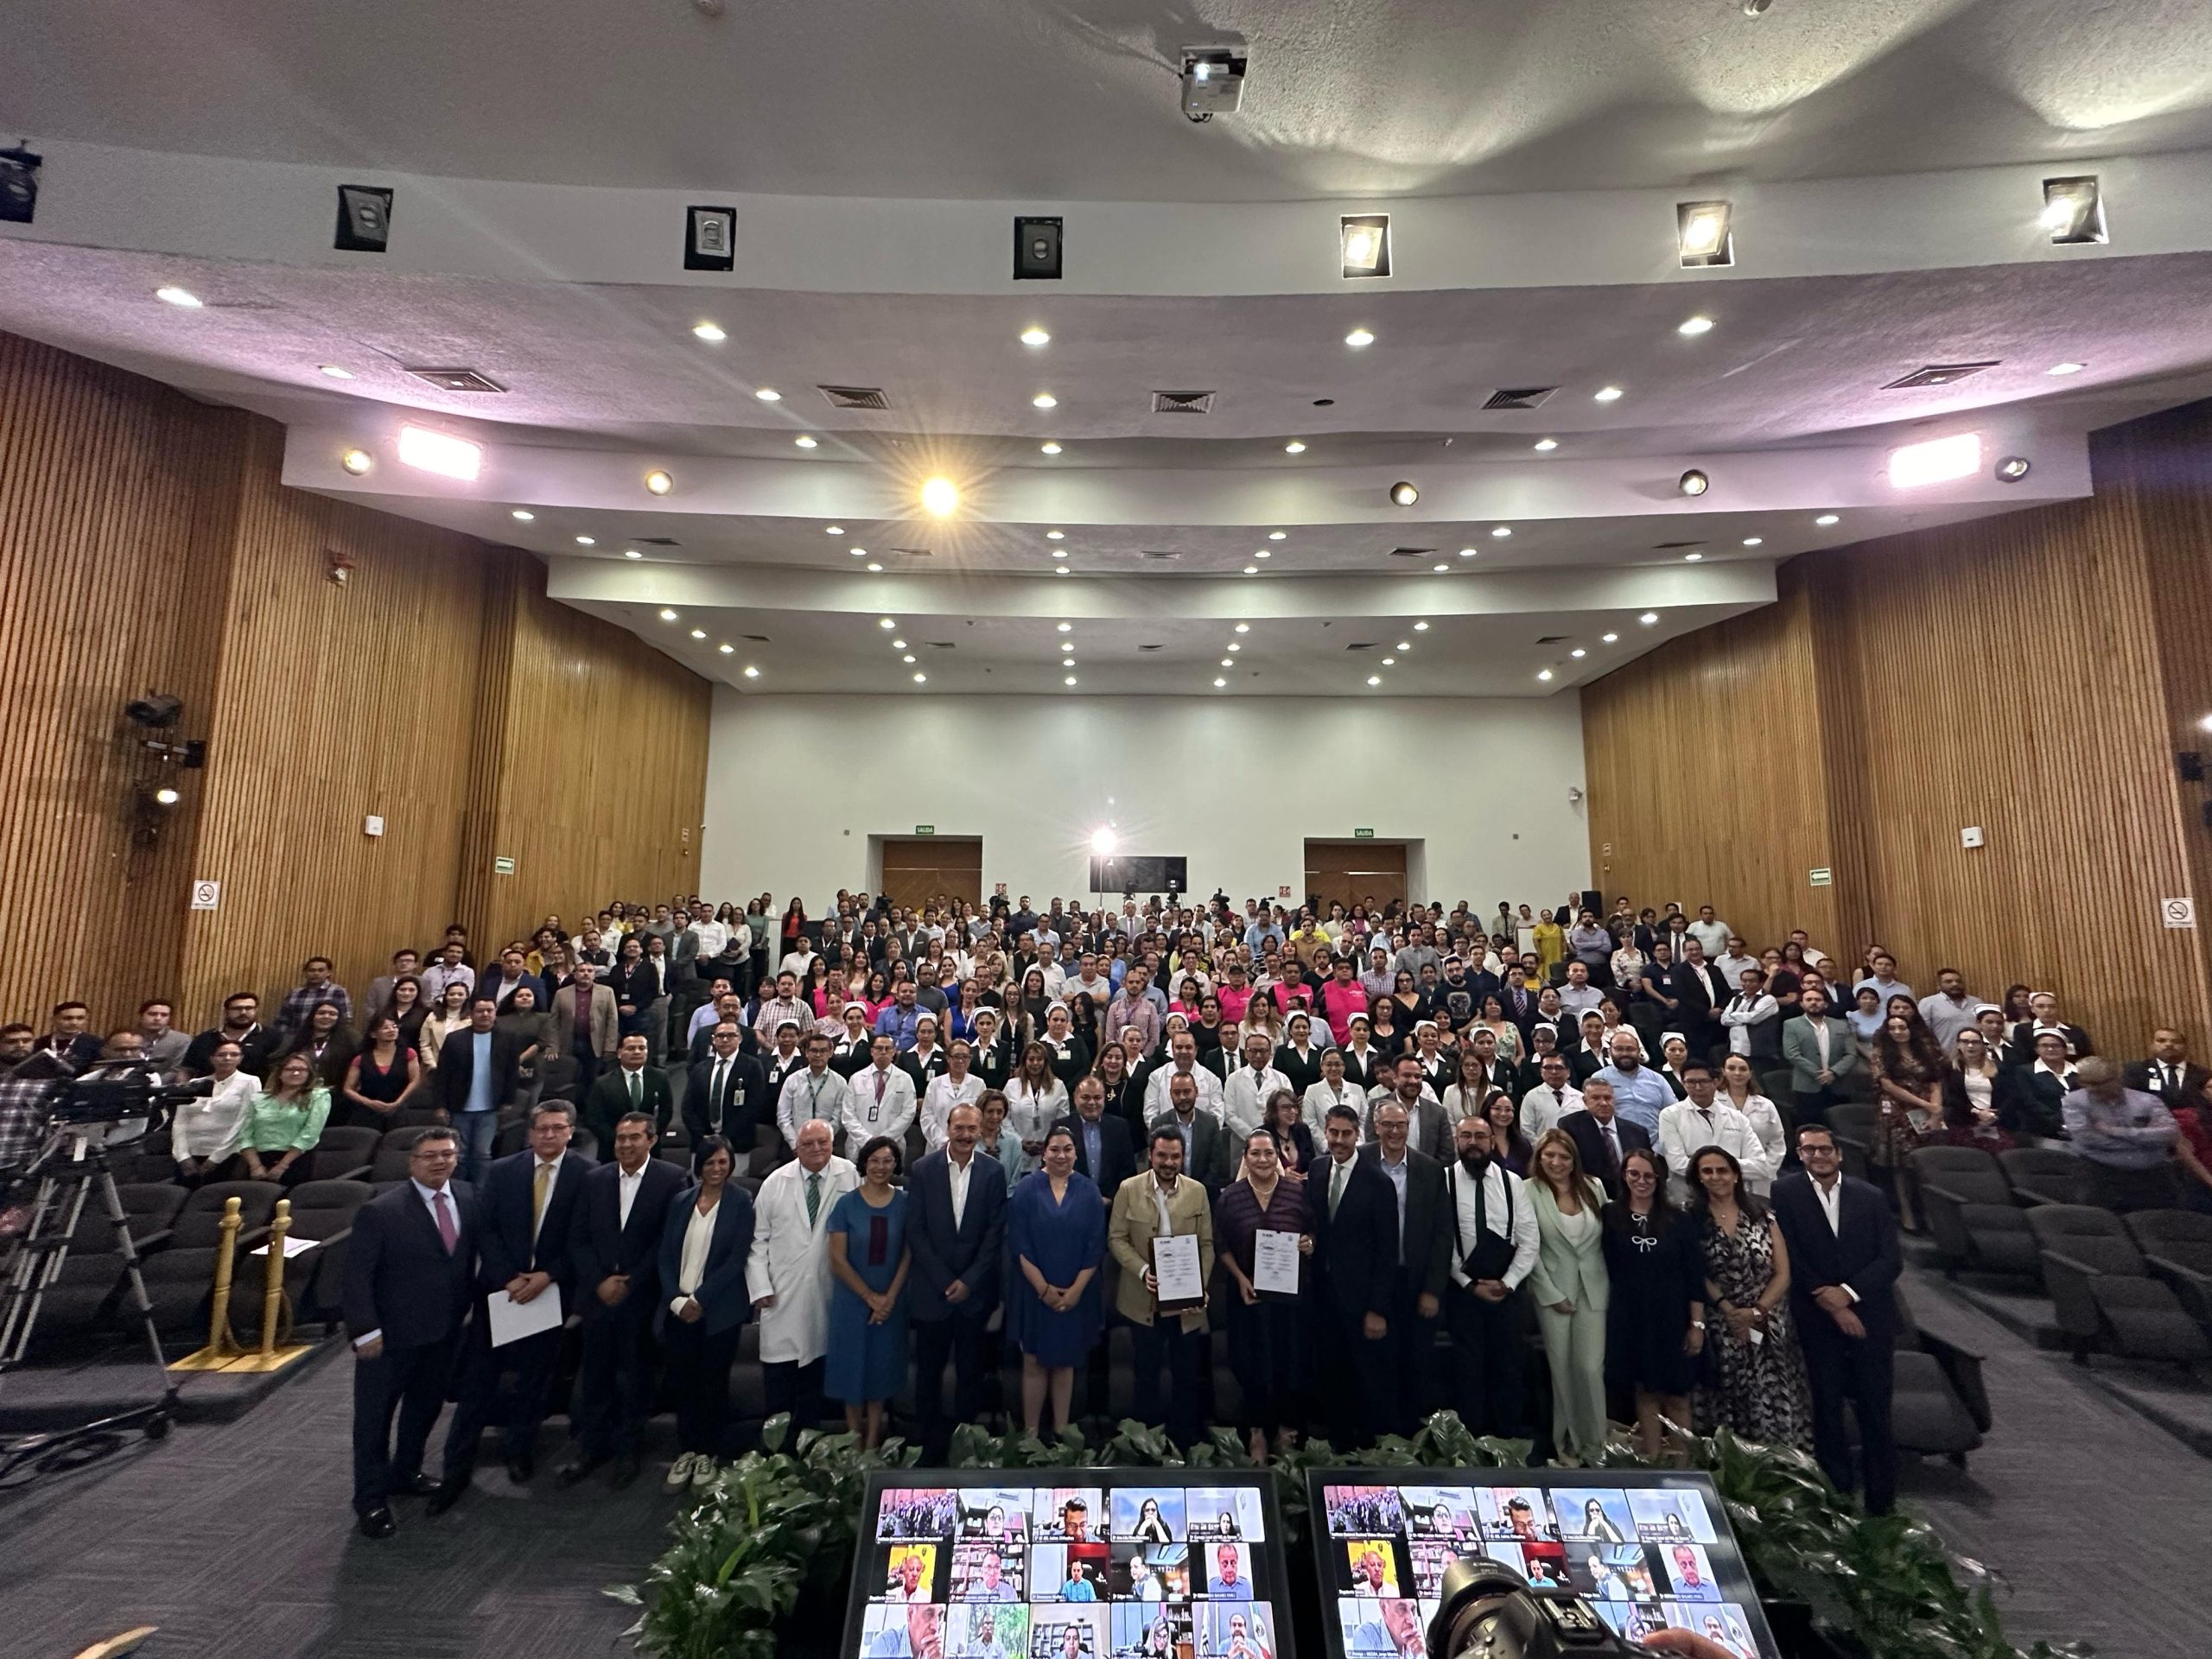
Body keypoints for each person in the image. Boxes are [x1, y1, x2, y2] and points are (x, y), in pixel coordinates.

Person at [437, 1101, 589, 1497]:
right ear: (530, 1132)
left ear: (570, 1132)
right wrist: (508, 1278)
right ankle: (457, 1462)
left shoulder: (587, 1176)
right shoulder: (504, 1171)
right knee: (479, 1379)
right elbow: (485, 1230)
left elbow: (583, 1238)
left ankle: (519, 1450)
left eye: (558, 1128)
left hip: (550, 1293)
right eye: (542, 1128)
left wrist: (546, 1276)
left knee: (534, 1381)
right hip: (500, 1293)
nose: (550, 1135)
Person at [341, 1125, 477, 1540]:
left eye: (447, 1154)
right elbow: (356, 1278)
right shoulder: (380, 1211)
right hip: (390, 1338)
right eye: (430, 1155)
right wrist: (364, 1331)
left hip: (445, 1332)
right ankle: (370, 1500)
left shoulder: (470, 1197)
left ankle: (406, 1473)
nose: (440, 1161)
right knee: (374, 1421)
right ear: (412, 1162)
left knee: (423, 1409)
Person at [1771, 1124, 1902, 1515]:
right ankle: (1837, 1498)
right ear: (1799, 1154)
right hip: (1816, 1319)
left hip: (1870, 1319)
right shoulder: (1786, 1193)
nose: (1818, 1156)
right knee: (1826, 1412)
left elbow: (1890, 1260)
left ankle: (1882, 1504)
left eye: (1825, 1149)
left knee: (1875, 1414)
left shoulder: (1871, 1196)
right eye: (1809, 1150)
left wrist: (1847, 1295)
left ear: (1839, 1153)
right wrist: (1831, 1304)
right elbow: (1791, 1254)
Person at [560, 1111, 684, 1488]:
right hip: (597, 1298)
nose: (626, 1144)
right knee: (594, 1375)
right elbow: (577, 1238)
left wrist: (629, 1282)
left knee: (635, 1377)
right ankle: (591, 1448)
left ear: (651, 1140)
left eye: (634, 1137)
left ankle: (629, 1449)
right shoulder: (594, 1179)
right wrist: (600, 1281)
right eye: (620, 1138)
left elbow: (668, 1240)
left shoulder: (671, 1179)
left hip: (640, 1297)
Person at [1689, 1147, 1812, 1450]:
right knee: (1728, 1398)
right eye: (1707, 1171)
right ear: (1698, 1178)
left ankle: (1780, 1471)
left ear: (1735, 1175)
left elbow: (1783, 1272)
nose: (1716, 1177)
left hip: (1769, 1322)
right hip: (1722, 1323)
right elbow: (1695, 1273)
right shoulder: (1690, 1218)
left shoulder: (1763, 1214)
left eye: (1722, 1170)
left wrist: (1757, 1312)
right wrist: (1732, 1312)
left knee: (1774, 1399)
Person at [908, 1101, 1008, 1460]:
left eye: (972, 1129)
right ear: (947, 1128)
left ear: (981, 1131)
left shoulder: (994, 1172)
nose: (966, 1135)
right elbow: (915, 1230)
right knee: (928, 1376)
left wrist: (968, 1280)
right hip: (931, 1292)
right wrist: (943, 1279)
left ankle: (967, 1449)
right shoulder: (922, 1169)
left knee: (970, 1373)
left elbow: (995, 1233)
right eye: (959, 1128)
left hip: (974, 1293)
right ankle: (928, 1450)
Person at [747, 1118, 861, 1432]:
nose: (816, 1149)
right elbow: (757, 1239)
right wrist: (760, 1287)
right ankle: (776, 1459)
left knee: (815, 1378)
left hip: (828, 1289)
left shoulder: (848, 1174)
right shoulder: (774, 1182)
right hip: (780, 1293)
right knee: (780, 1382)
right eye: (808, 1144)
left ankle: (809, 1453)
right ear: (796, 1147)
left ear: (832, 1143)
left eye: (822, 1142)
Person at [656, 1134, 756, 1487]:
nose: (717, 1168)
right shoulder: (681, 1200)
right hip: (679, 1309)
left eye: (723, 1162)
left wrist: (701, 1299)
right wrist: (677, 1299)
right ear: (699, 1165)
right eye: (710, 1162)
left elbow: (735, 1259)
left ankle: (708, 1453)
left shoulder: (741, 1201)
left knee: (712, 1383)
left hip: (719, 1311)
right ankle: (688, 1449)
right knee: (684, 1382)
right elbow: (665, 1255)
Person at [1109, 1125, 1217, 1449]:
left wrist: (1200, 1285)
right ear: (1150, 1156)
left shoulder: (1197, 1191)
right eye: (1162, 1156)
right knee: (1146, 1375)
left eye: (1175, 1156)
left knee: (1186, 1377)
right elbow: (1116, 1238)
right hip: (1143, 1299)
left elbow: (1207, 1244)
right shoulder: (1128, 1188)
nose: (1169, 1162)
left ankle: (1183, 1445)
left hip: (1186, 1303)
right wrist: (1142, 1271)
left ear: (1183, 1157)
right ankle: (1147, 1446)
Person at [1214, 1126, 1313, 1459]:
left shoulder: (1297, 1192)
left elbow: (1313, 1232)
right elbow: (1221, 1244)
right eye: (1255, 1153)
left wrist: (1309, 1243)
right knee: (1251, 1365)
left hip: (1290, 1300)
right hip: (1248, 1296)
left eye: (1268, 1153)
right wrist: (1240, 1277)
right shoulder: (1231, 1196)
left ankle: (1287, 1429)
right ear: (1245, 1158)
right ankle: (1256, 1431)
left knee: (1290, 1363)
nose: (1262, 1159)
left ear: (1278, 1157)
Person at [1440, 1113, 1539, 1440]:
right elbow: (1441, 1240)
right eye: (1465, 1136)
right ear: (1456, 1141)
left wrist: (1508, 1283)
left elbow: (1529, 1239)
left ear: (1492, 1142)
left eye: (1479, 1137)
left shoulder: (1513, 1182)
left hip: (1506, 1291)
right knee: (1467, 1370)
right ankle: (1471, 1442)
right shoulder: (1443, 1180)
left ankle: (1507, 1442)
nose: (1473, 1143)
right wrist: (1468, 1284)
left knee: (1508, 1368)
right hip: (1462, 1290)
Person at [1602, 1147, 1703, 1458]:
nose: (1641, 1181)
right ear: (1624, 1176)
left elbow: (1694, 1275)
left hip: (1672, 1317)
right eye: (1634, 1174)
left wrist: (1696, 1325)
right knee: (1644, 1390)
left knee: (1677, 1394)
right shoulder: (1610, 1215)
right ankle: (1652, 1461)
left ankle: (1684, 1466)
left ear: (1659, 1179)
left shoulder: (1678, 1218)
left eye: (1648, 1175)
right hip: (1631, 1316)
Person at [1310, 1103, 1400, 1449]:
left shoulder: (1378, 1182)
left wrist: (1378, 1308)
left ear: (1358, 1135)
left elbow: (1387, 1250)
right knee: (1328, 1368)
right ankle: (1334, 1445)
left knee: (1363, 1374)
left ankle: (1365, 1450)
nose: (1339, 1140)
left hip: (1362, 1299)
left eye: (1346, 1134)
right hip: (1322, 1294)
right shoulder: (1317, 1171)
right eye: (1333, 1132)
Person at [1006, 1124, 1107, 1434]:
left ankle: (1062, 1436)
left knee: (1065, 1364)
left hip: (1077, 1292)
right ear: (1043, 1153)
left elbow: (1095, 1245)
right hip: (1034, 1290)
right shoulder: (1025, 1189)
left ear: (1076, 1154)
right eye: (1054, 1149)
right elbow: (1019, 1244)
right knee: (1034, 1362)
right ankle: (1031, 1435)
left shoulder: (1089, 1191)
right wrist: (1043, 1289)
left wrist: (1075, 1291)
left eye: (1067, 1149)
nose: (1061, 1155)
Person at [1360, 1099, 1452, 1435]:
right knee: (1376, 1366)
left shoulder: (1429, 1168)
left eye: (1401, 1125)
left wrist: (1432, 1289)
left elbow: (1443, 1234)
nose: (1395, 1131)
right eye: (1388, 1125)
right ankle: (1379, 1441)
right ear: (1376, 1126)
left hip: (1416, 1285)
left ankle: (1413, 1441)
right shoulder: (1360, 1161)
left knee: (1416, 1365)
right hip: (1371, 1286)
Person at [1524, 1128, 1611, 1464]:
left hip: (1594, 1288)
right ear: (1539, 1158)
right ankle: (1568, 1445)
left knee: (1590, 1368)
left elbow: (1608, 1238)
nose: (1557, 1162)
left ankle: (1597, 1444)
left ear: (1574, 1159)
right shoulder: (1527, 1190)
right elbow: (1529, 1247)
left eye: (1564, 1156)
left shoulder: (1594, 1187)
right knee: (1561, 1371)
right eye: (1550, 1156)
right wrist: (1548, 1291)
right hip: (1552, 1292)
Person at [824, 1135, 912, 1448]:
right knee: (851, 1370)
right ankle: (853, 1439)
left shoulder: (905, 1202)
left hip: (891, 1301)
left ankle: (874, 1440)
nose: (881, 1167)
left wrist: (887, 1298)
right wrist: (869, 1297)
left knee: (880, 1371)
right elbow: (837, 1258)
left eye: (887, 1161)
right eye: (874, 1160)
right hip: (852, 1302)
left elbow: (908, 1254)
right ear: (864, 1163)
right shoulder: (846, 1204)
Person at [2063, 1056, 2181, 1211]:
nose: (2091, 1088)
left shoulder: (2147, 1100)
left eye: (2098, 1083)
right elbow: (2088, 1139)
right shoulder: (2074, 1102)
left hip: (2154, 1178)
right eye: (2085, 1083)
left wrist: (2114, 1131)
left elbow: (2170, 1134)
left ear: (2117, 1078)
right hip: (2102, 1178)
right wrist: (2145, 1141)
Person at [1871, 1010, 1946, 1226]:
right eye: (1892, 1028)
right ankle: (1907, 1213)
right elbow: (1888, 1085)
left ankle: (1932, 1212)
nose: (1898, 1032)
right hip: (1897, 1112)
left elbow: (1935, 1081)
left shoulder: (1923, 1051)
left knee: (1928, 1162)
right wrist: (1926, 1105)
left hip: (1928, 1110)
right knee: (1902, 1166)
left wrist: (1936, 1108)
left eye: (1902, 1027)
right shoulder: (1881, 1053)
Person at [434, 995, 523, 1179]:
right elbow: (442, 1075)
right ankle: (461, 1192)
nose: (485, 1015)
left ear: (495, 1013)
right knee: (460, 1154)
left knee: (483, 1154)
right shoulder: (454, 1039)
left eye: (489, 1011)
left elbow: (511, 1073)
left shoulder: (508, 1038)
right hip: (459, 1106)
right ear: (471, 1014)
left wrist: (509, 1100)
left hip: (490, 1108)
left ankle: (482, 1195)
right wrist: (440, 1105)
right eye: (480, 1011)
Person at [1657, 1064, 1770, 1205]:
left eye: (1703, 1082)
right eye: (1691, 1082)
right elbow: (1677, 1164)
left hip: (1733, 1198)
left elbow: (1760, 1166)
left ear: (1716, 1082)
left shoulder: (1738, 1118)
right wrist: (1729, 1169)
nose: (1697, 1087)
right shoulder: (1670, 1115)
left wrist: (1707, 1167)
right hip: (1687, 1198)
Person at [237, 1050, 331, 1187]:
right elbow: (245, 1134)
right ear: (280, 1073)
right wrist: (255, 1166)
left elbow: (310, 1134)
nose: (296, 1073)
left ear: (309, 1074)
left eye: (302, 1070)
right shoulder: (259, 1098)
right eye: (291, 1069)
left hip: (295, 1160)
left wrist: (282, 1166)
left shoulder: (319, 1096)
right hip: (257, 1161)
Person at [171, 1038, 256, 1182]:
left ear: (241, 1059)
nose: (227, 1058)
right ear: (212, 1058)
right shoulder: (194, 1083)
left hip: (227, 1154)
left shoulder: (250, 1082)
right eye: (221, 1055)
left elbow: (244, 1121)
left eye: (234, 1055)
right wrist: (182, 1156)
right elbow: (179, 1122)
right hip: (190, 1153)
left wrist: (216, 1158)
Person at [1556, 1077, 1652, 1203]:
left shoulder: (1637, 1132)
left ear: (1615, 1100)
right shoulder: (1571, 1126)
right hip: (1590, 1198)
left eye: (1608, 1098)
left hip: (1633, 1198)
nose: (1603, 1103)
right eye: (1595, 1098)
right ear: (1585, 1101)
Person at [686, 1019, 766, 1151]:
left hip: (738, 1141)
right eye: (720, 1036)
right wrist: (702, 1135)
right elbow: (688, 1107)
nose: (725, 1040)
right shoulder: (700, 1068)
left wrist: (725, 1136)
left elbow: (754, 1104)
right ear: (713, 1039)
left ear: (740, 1039)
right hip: (702, 1141)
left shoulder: (752, 1066)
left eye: (731, 1035)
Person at [586, 1033, 674, 1151]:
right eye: (631, 1048)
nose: (637, 1052)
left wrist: (647, 1138)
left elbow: (666, 1112)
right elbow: (594, 1119)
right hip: (613, 1149)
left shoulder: (660, 1078)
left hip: (649, 1148)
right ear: (619, 1053)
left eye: (642, 1048)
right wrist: (621, 1140)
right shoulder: (603, 1083)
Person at [337, 1014, 421, 1131]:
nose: (392, 1030)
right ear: (373, 1034)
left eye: (394, 1026)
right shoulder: (361, 1058)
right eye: (385, 1028)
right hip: (366, 1114)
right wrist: (369, 1103)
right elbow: (348, 1088)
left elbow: (415, 1080)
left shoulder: (409, 1053)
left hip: (399, 1112)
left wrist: (398, 1102)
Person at [1058, 1073, 1135, 1198]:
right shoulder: (1061, 1128)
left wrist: (1112, 1199)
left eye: (1097, 1097)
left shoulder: (1120, 1127)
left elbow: (1128, 1172)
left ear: (1104, 1099)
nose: (1092, 1102)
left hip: (1111, 1206)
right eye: (1085, 1097)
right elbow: (1055, 1172)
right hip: (1071, 1205)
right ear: (1075, 1098)